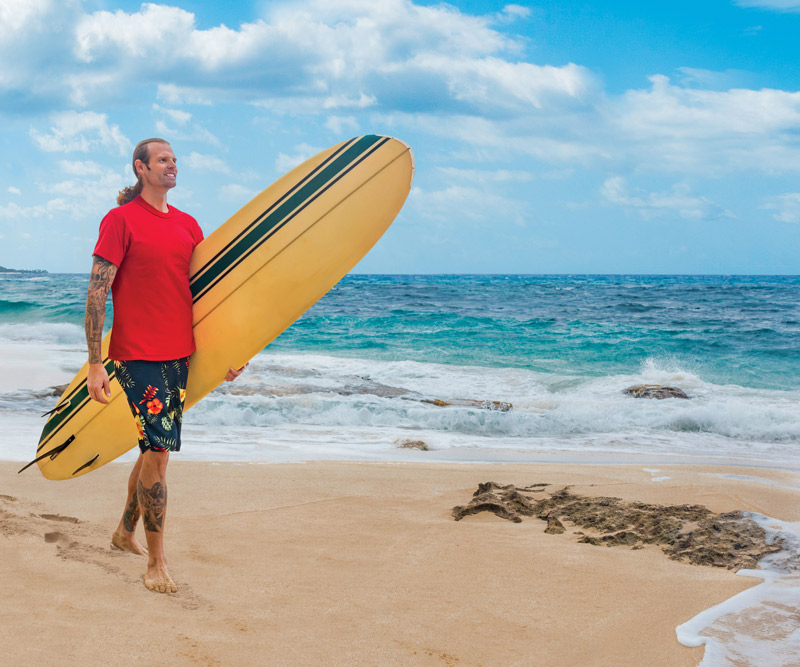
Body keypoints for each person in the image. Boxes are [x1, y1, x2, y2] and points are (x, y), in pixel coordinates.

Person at [85, 137, 245, 594]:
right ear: (141, 168)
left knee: (155, 450)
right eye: (162, 160)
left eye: (174, 159)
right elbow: (97, 294)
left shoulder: (189, 226)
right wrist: (96, 364)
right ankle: (156, 563)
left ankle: (123, 533)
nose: (171, 165)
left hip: (181, 354)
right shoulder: (119, 221)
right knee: (158, 452)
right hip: (137, 355)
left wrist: (229, 353)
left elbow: (206, 298)